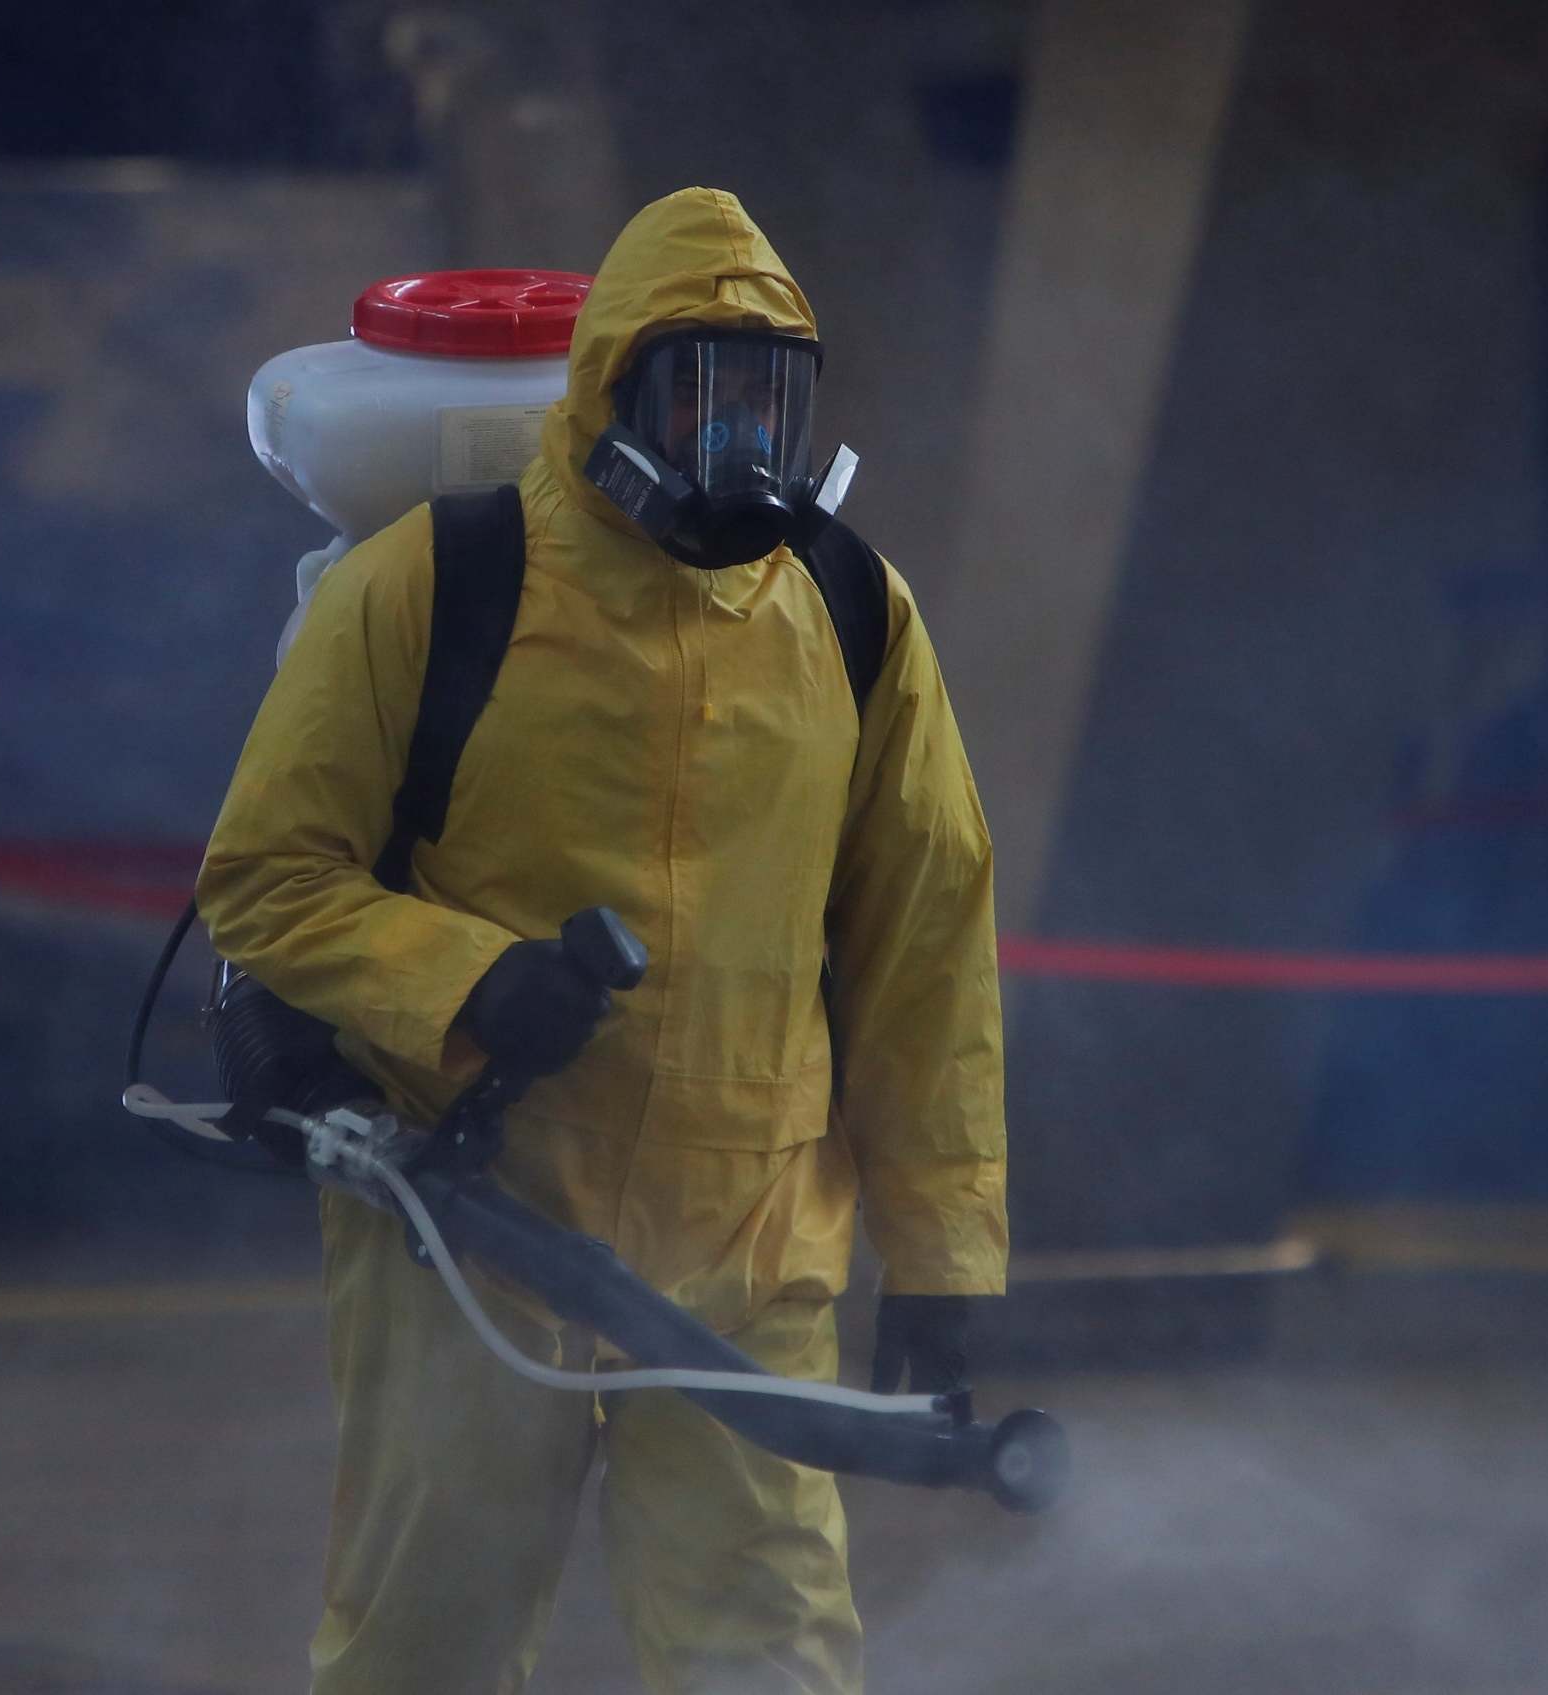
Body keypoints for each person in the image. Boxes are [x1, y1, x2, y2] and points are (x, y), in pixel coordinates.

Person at [198, 188, 1007, 1694]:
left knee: (767, 1653)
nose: (739, 441)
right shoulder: (438, 585)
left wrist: (945, 1241)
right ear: (612, 388)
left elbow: (926, 942)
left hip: (747, 1242)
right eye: (699, 392)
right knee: (423, 1646)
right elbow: (263, 875)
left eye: (770, 399)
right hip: (468, 1213)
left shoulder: (848, 613)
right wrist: (467, 980)